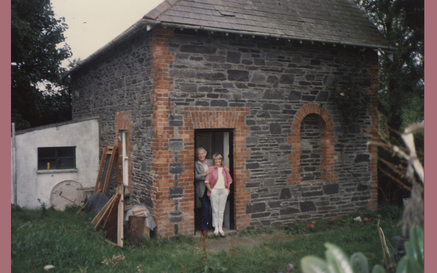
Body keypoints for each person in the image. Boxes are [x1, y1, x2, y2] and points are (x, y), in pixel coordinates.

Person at [204, 153, 232, 237]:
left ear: (221, 160)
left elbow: (229, 181)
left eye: (219, 159)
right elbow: (206, 181)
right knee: (215, 210)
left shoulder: (225, 169)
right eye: (216, 159)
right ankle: (216, 228)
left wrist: (227, 189)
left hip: (223, 190)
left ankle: (221, 228)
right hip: (214, 191)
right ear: (214, 160)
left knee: (221, 210)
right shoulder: (211, 169)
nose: (217, 161)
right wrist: (211, 190)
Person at [194, 147, 212, 236]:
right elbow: (194, 177)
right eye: (199, 154)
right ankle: (204, 228)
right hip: (202, 189)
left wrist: (226, 169)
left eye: (202, 153)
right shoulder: (195, 164)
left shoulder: (211, 162)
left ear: (205, 154)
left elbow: (219, 169)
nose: (201, 155)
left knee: (214, 207)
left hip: (212, 189)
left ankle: (216, 226)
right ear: (197, 155)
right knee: (205, 207)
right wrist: (204, 174)